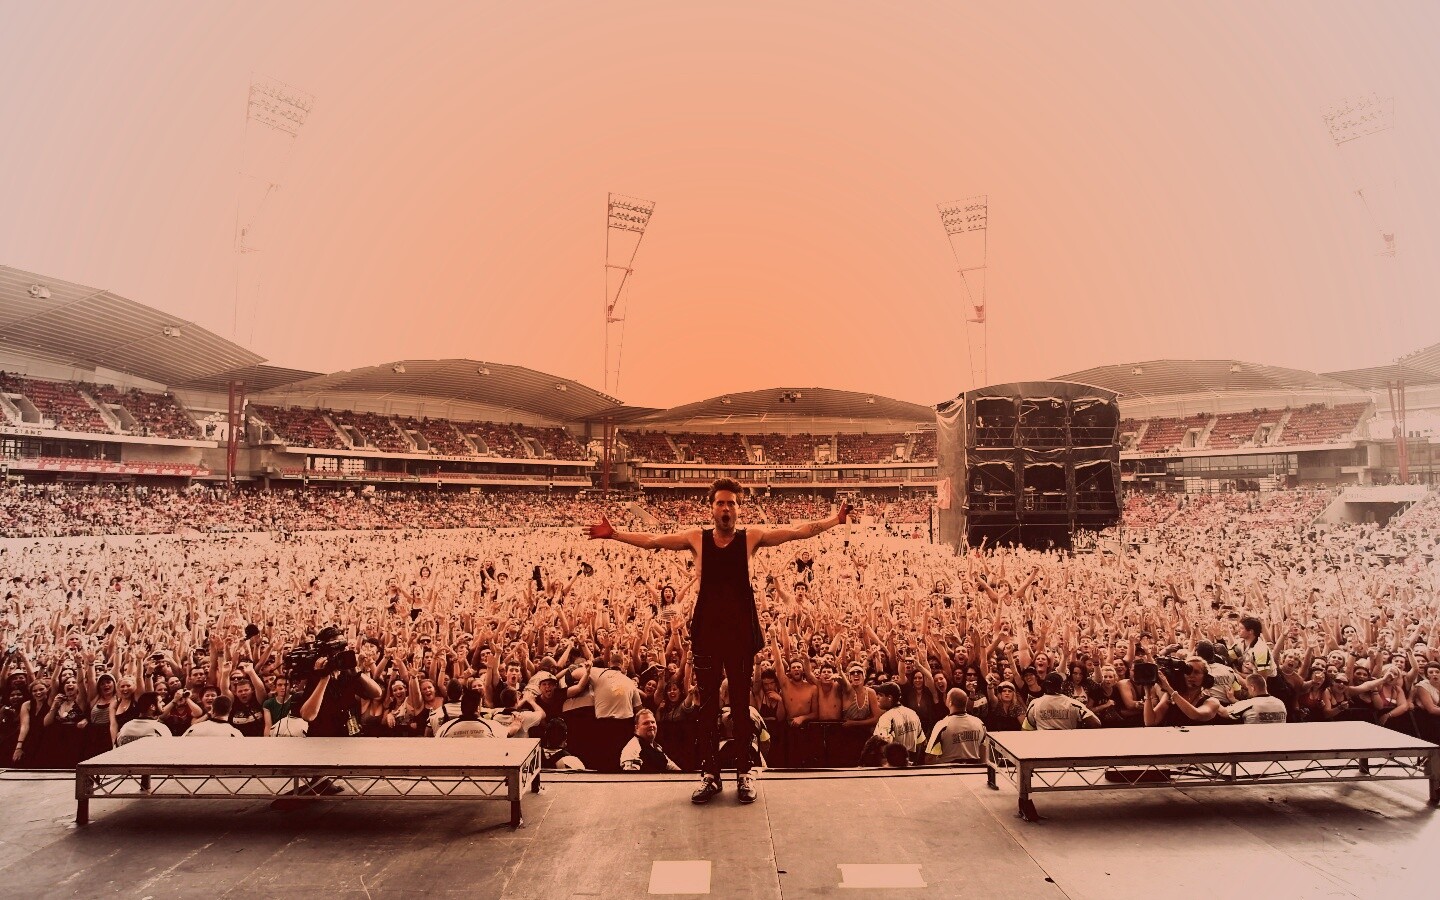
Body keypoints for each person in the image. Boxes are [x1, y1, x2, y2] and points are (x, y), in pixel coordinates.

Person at [590, 478, 851, 805]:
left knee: (741, 706)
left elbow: (797, 532)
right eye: (720, 503)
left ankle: (744, 773)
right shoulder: (695, 538)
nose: (726, 508)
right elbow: (653, 541)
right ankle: (710, 775)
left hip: (740, 631)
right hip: (708, 631)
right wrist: (615, 534)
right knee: (707, 707)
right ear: (712, 508)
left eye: (731, 503)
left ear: (738, 509)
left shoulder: (751, 537)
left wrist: (835, 520)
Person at [925, 688, 988, 765]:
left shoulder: (942, 725)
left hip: (949, 770)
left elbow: (930, 759)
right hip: (975, 770)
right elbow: (983, 758)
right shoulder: (979, 723)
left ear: (950, 702)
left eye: (947, 697)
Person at [1024, 672, 1101, 730]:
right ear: (1061, 686)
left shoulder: (1034, 704)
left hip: (1044, 743)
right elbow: (1096, 723)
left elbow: (1027, 727)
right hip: (1067, 743)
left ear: (1045, 686)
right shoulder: (1073, 704)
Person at [620, 709, 681, 773]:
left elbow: (670, 766)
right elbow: (631, 776)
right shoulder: (633, 748)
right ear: (636, 728)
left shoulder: (656, 746)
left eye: (653, 722)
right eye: (646, 723)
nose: (651, 725)